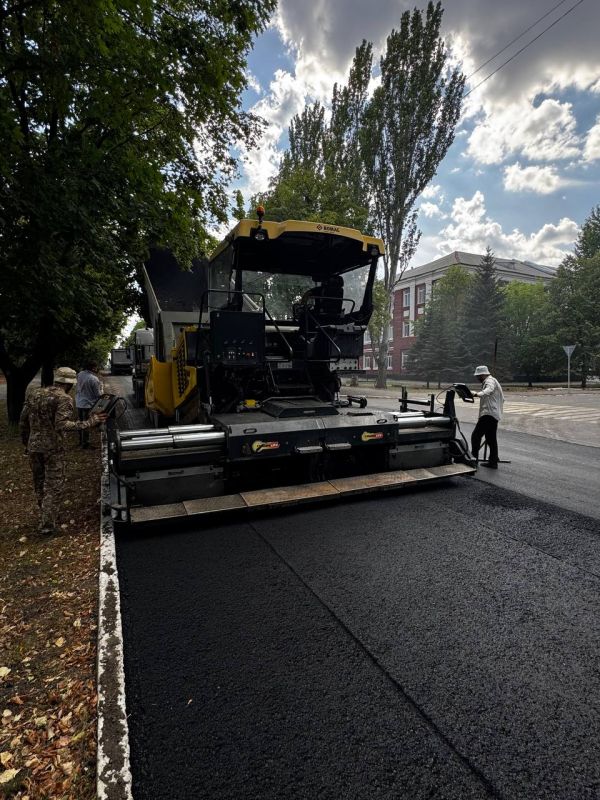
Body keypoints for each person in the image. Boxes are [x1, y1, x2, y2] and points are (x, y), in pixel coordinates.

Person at [19, 367, 108, 535]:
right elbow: (62, 424)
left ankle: (46, 515)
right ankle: (47, 525)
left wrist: (26, 443)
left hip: (33, 447)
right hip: (52, 448)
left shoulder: (34, 394)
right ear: (69, 384)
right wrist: (91, 422)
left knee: (39, 482)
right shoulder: (64, 399)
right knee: (53, 485)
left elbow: (23, 421)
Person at [470, 365, 504, 469]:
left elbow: (489, 390)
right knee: (491, 438)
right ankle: (493, 462)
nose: (477, 378)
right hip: (493, 414)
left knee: (475, 436)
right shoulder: (492, 380)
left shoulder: (490, 381)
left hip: (488, 414)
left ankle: (473, 460)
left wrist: (477, 394)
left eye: (478, 376)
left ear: (483, 374)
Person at [76, 361, 102, 448]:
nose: (97, 369)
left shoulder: (80, 374)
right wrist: (101, 390)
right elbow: (98, 395)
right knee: (86, 424)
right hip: (88, 405)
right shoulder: (94, 379)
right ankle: (85, 444)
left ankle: (80, 441)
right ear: (93, 368)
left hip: (79, 403)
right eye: (96, 367)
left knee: (80, 423)